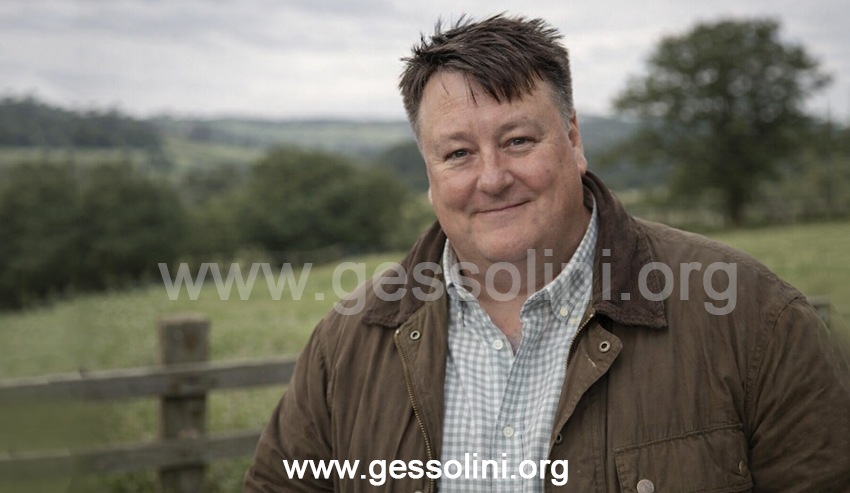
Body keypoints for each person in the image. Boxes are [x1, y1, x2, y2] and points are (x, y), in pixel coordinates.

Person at [244, 14, 850, 492]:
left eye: (518, 140)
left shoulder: (753, 318)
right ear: (429, 174)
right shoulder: (346, 344)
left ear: (573, 140)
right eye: (457, 154)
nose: (491, 177)